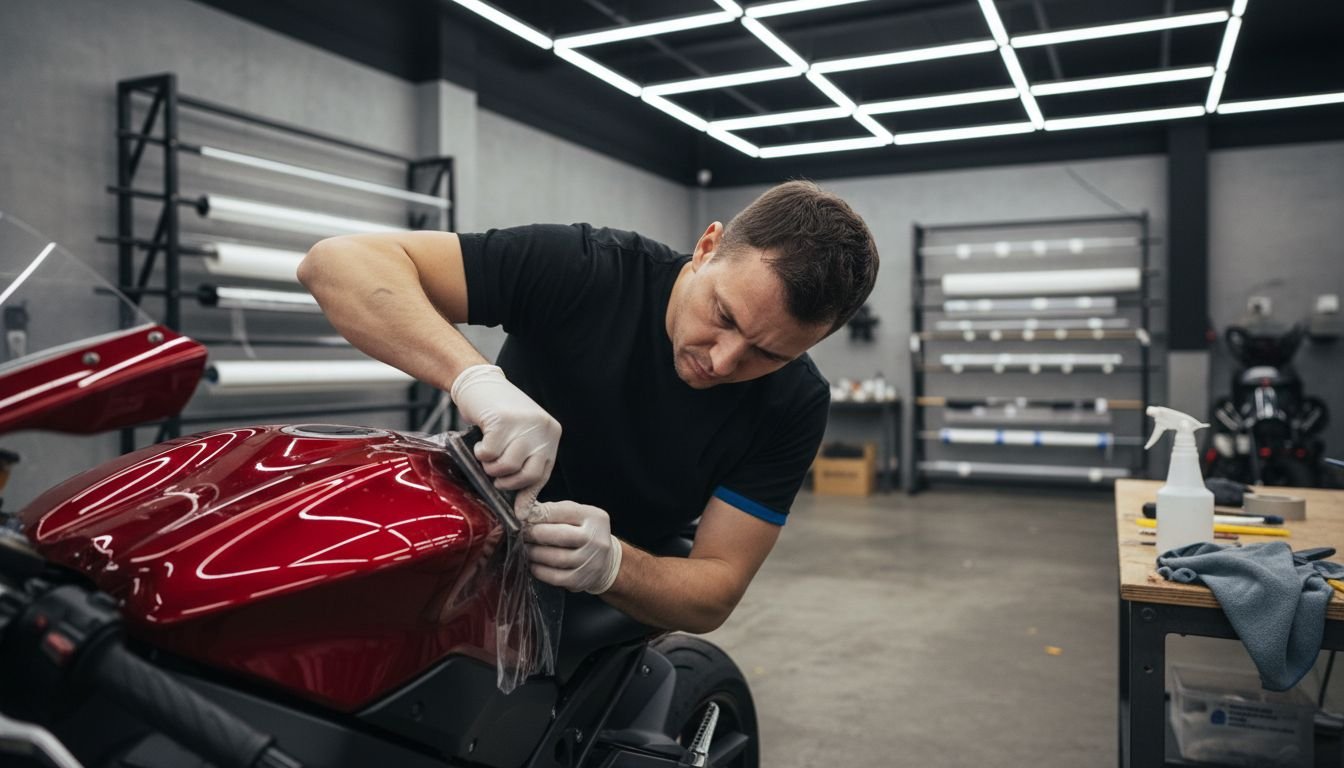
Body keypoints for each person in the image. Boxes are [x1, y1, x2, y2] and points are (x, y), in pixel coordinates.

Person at [298, 180, 878, 634]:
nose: (724, 363)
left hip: (618, 581)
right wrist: (477, 380)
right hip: (470, 532)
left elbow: (715, 590)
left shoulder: (795, 402)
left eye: (768, 354)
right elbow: (336, 263)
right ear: (706, 248)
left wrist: (613, 566)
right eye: (724, 317)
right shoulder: (588, 270)